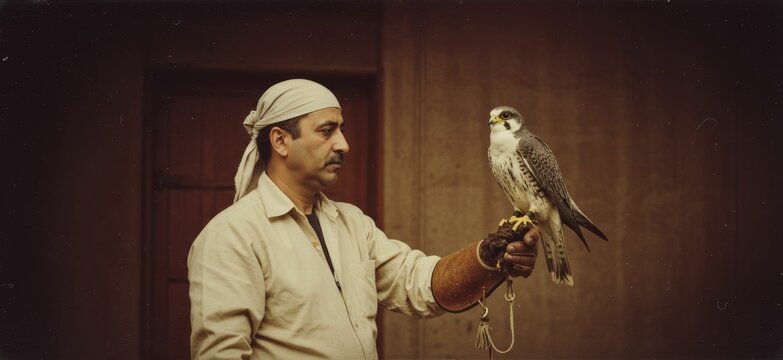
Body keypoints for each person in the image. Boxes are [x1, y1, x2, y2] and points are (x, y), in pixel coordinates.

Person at [187, 79, 540, 359]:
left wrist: (490, 256)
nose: (344, 144)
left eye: (340, 130)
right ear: (280, 140)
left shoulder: (352, 224)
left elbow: (417, 283)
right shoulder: (232, 235)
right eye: (327, 131)